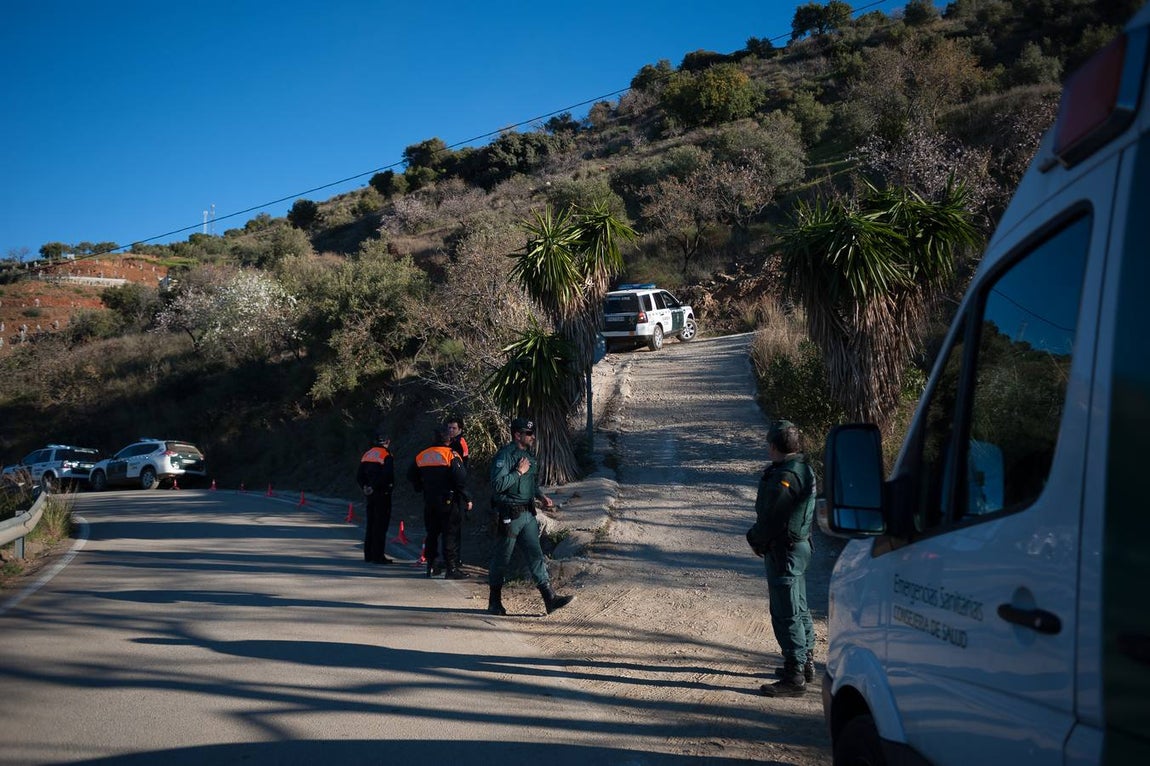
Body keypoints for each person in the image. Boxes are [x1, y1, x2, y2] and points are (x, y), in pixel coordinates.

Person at [746, 420, 817, 697]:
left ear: (774, 446)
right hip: (798, 548)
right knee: (799, 605)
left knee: (785, 612)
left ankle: (794, 675)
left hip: (784, 551)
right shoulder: (803, 468)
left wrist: (755, 539)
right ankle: (806, 661)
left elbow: (772, 518)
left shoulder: (784, 477)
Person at [487, 417, 574, 616]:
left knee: (536, 556)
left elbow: (530, 483)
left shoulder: (528, 457)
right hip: (509, 515)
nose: (533, 437)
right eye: (529, 434)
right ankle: (494, 602)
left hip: (527, 514)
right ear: (518, 435)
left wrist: (540, 495)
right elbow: (497, 485)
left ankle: (550, 599)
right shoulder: (505, 456)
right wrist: (518, 472)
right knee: (502, 558)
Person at [409, 426, 472, 579]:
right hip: (449, 501)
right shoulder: (451, 455)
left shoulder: (422, 455)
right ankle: (451, 569)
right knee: (449, 534)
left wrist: (420, 487)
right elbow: (460, 479)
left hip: (430, 500)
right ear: (448, 440)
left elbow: (410, 474)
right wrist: (467, 497)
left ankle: (431, 565)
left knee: (432, 533)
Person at [357, 428, 395, 565]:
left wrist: (365, 487)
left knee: (370, 523)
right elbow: (387, 475)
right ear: (388, 442)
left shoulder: (367, 454)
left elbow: (359, 475)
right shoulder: (386, 455)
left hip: (369, 494)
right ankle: (378, 556)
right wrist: (375, 486)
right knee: (380, 525)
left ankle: (368, 555)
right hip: (382, 493)